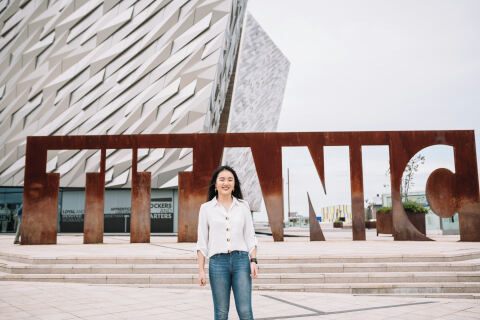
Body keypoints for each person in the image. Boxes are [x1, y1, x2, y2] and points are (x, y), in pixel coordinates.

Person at [196, 165, 258, 320]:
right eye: (222, 179)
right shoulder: (206, 208)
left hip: (241, 261)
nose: (226, 183)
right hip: (217, 263)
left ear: (234, 184)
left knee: (245, 311)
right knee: (221, 313)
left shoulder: (243, 206)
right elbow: (202, 241)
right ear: (215, 185)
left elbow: (250, 236)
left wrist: (254, 260)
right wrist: (201, 270)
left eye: (230, 180)